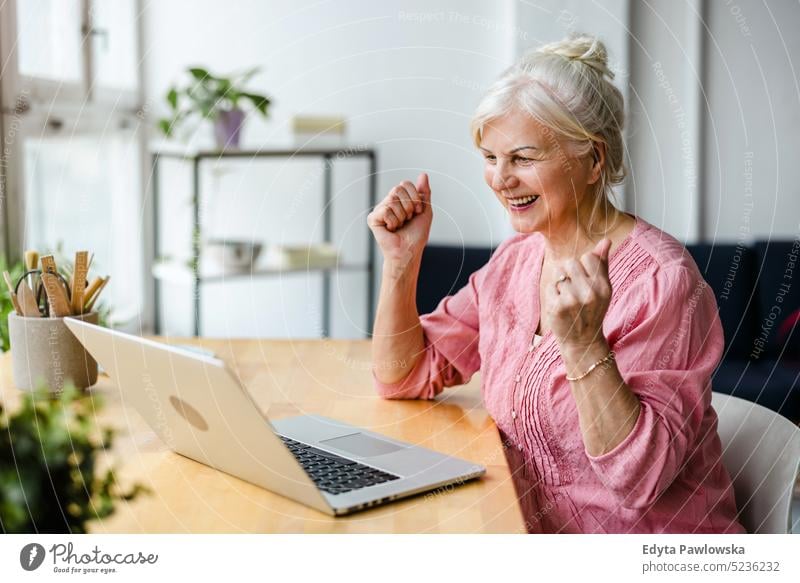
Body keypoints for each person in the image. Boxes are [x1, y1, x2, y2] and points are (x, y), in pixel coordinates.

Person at [366, 34, 744, 533]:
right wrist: (401, 263)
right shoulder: (516, 261)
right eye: (490, 157)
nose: (500, 179)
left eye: (523, 158)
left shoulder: (663, 281)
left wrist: (586, 345)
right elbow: (403, 376)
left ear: (593, 160)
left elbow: (640, 480)